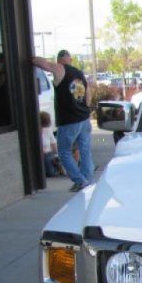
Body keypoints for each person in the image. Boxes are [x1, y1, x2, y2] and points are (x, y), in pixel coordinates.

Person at [33, 50, 93, 192]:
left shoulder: (60, 68)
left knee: (64, 152)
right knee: (85, 150)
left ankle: (80, 180)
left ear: (59, 60)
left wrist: (31, 58)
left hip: (69, 120)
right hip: (84, 119)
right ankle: (88, 179)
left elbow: (42, 63)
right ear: (70, 59)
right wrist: (84, 110)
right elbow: (88, 97)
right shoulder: (79, 73)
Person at [39, 111, 59, 177]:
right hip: (42, 154)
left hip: (47, 153)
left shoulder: (48, 129)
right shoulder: (36, 130)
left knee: (50, 173)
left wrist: (55, 152)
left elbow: (53, 141)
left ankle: (57, 169)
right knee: (48, 173)